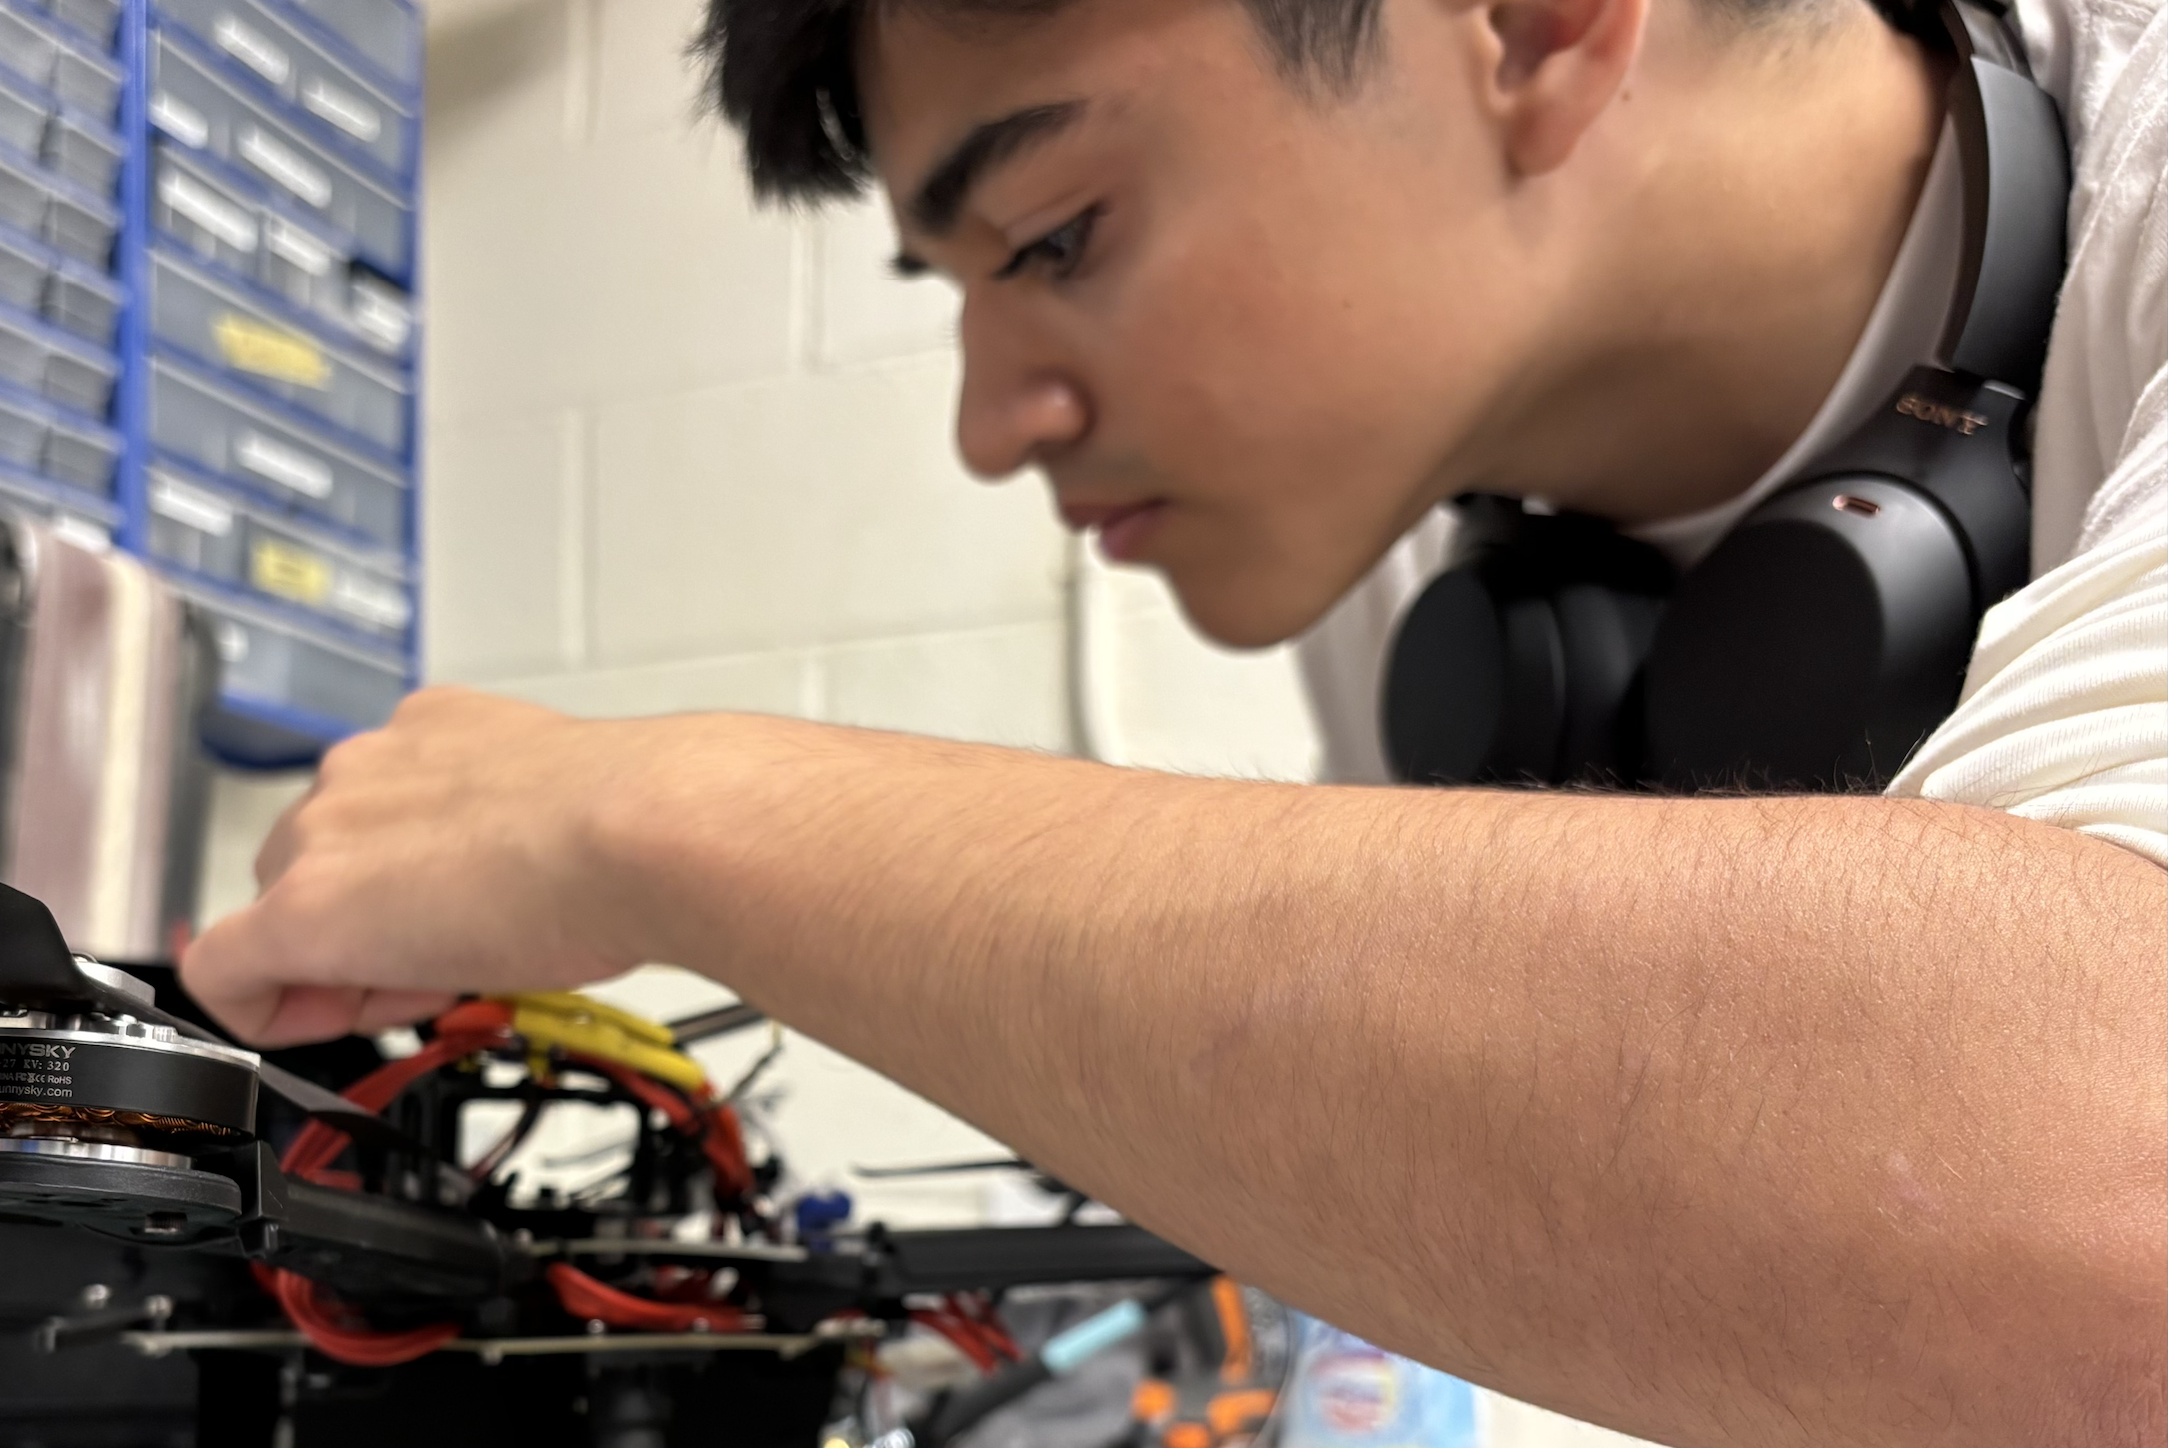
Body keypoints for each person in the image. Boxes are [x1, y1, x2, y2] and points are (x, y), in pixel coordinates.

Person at [177, 0, 2168, 1441]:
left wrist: (666, 806)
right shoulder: (1425, 557)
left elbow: (2104, 1209)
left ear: (1539, 24)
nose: (986, 423)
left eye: (1053, 234)